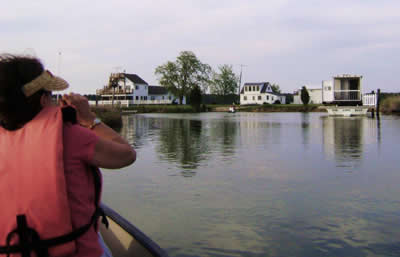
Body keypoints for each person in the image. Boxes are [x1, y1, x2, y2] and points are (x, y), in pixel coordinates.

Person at [0, 54, 136, 257]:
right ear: (43, 99)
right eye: (51, 94)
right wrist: (89, 119)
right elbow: (126, 155)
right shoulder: (70, 136)